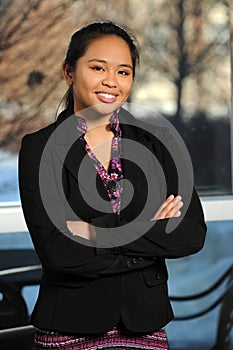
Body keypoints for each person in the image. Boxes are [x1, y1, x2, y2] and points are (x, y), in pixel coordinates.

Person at [18, 21, 207, 350]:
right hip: (70, 327)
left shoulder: (157, 144)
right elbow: (58, 251)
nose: (112, 82)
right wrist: (147, 228)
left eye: (124, 72)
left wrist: (93, 232)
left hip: (146, 326)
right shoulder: (40, 148)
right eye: (97, 67)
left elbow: (190, 233)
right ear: (69, 71)